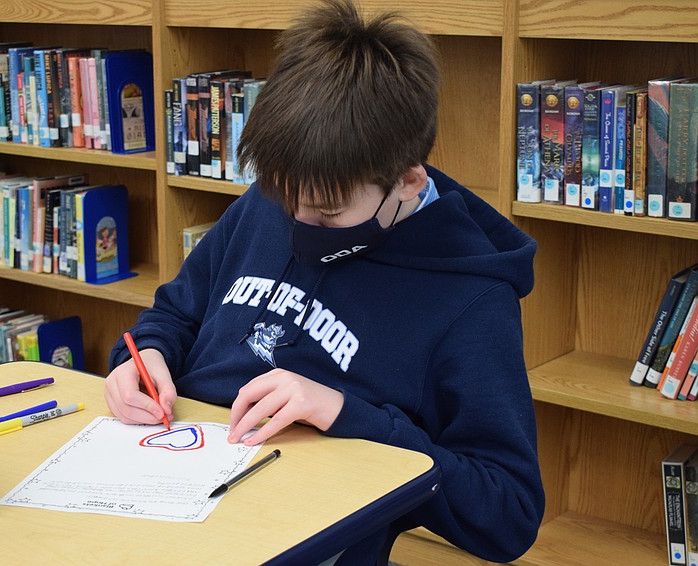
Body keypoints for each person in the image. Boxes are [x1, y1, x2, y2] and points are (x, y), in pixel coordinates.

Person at [105, 0, 545, 563]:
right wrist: (139, 362)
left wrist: (345, 414)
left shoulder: (473, 300)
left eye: (327, 214)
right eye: (285, 201)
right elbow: (172, 315)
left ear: (408, 182)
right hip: (160, 483)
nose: (297, 224)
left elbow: (508, 513)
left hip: (298, 535)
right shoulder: (278, 200)